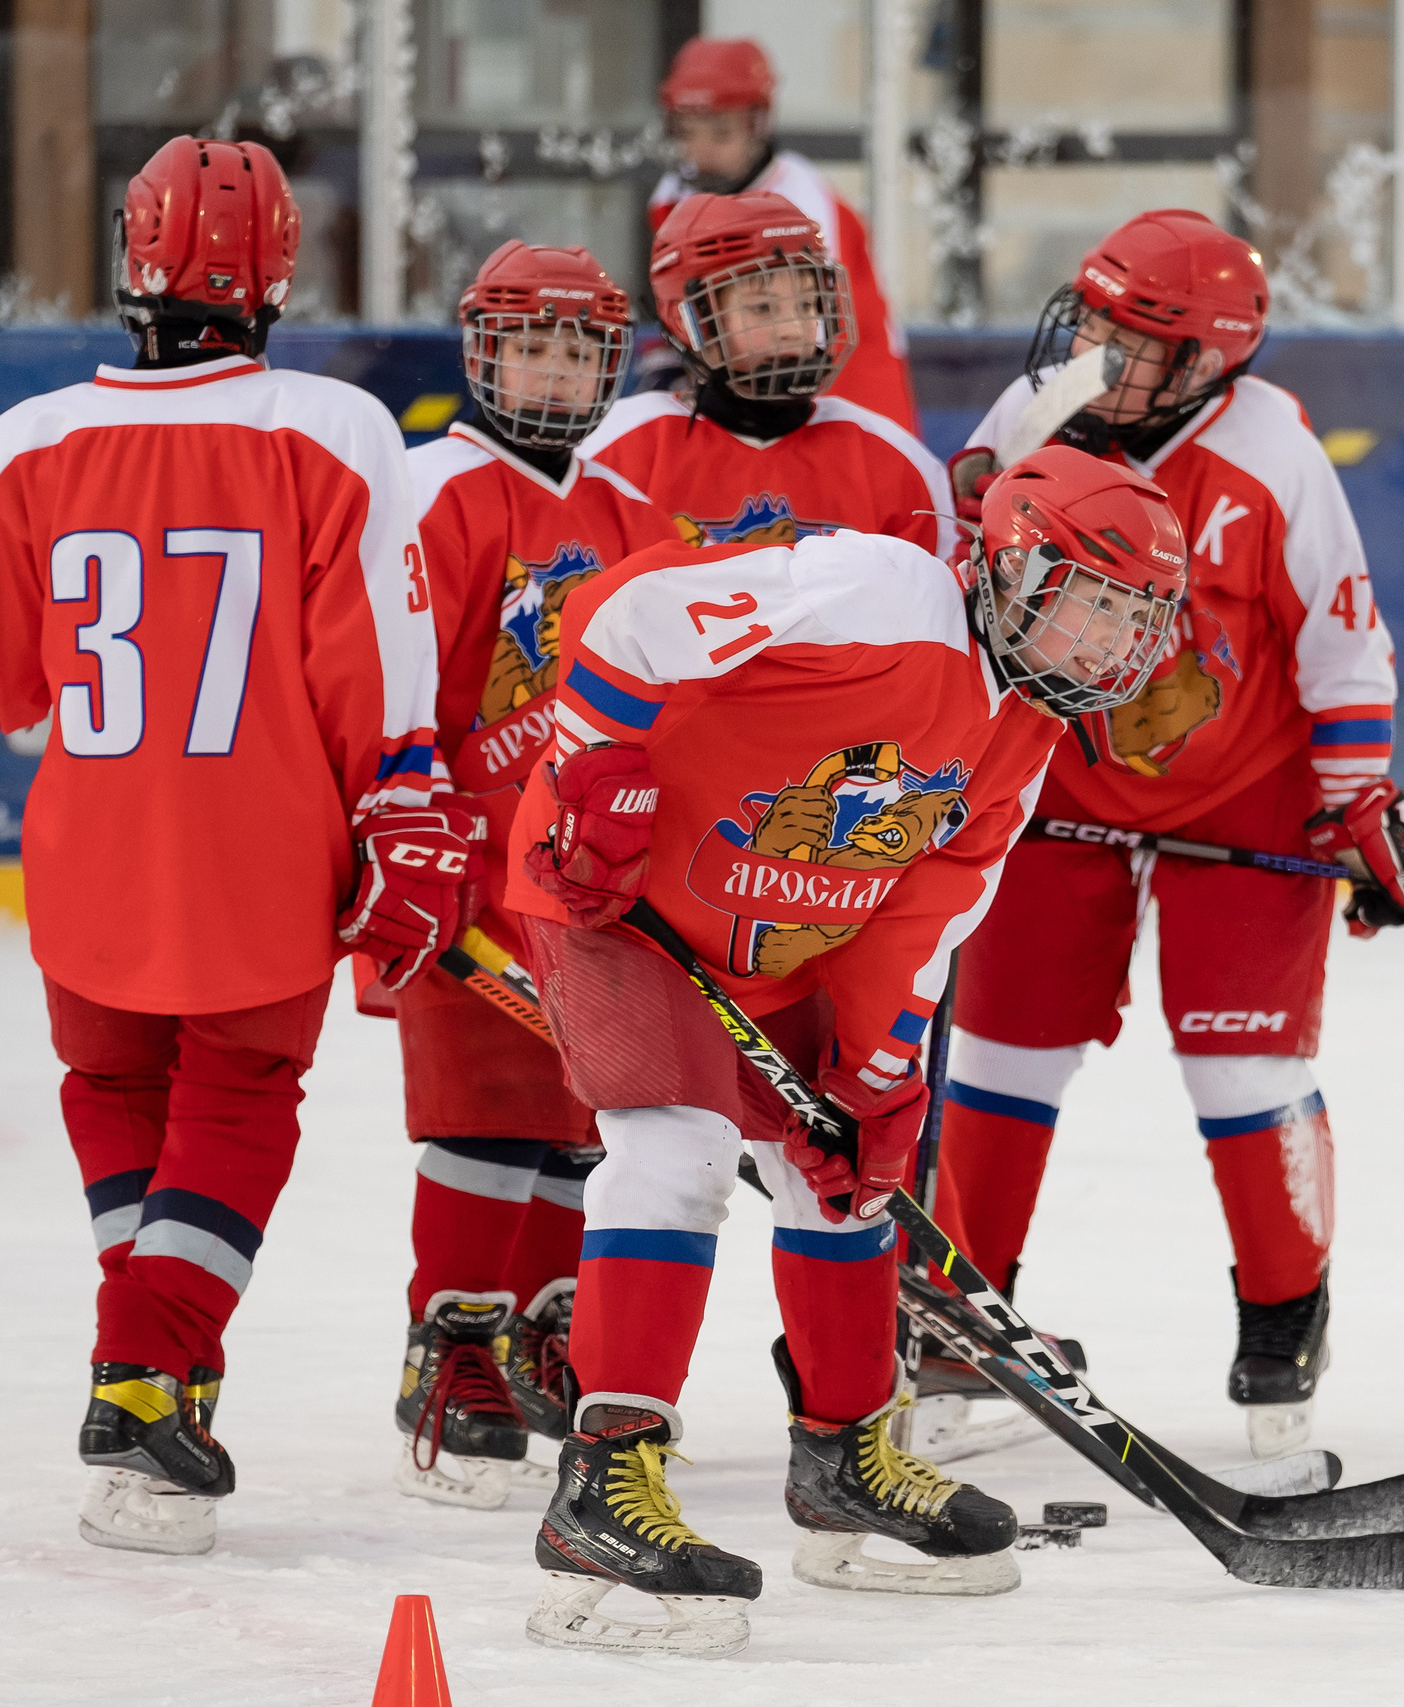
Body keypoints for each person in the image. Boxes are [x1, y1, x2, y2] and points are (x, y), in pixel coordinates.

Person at [502, 446, 1186, 1656]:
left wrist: (878, 1072)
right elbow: (631, 613)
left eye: (1133, 621)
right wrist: (596, 768)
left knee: (846, 1178)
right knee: (678, 1155)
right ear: (1017, 572)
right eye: (1093, 603)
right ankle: (601, 1484)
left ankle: (846, 1458)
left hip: (785, 944)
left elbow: (923, 913)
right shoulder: (882, 595)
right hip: (617, 900)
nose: (1108, 646)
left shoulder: (1025, 731)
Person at [0, 136, 460, 1557]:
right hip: (259, 853)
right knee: (236, 1098)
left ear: (129, 261)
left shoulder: (23, 440)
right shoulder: (335, 432)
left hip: (87, 848)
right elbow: (377, 666)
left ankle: (165, 1375)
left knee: (113, 1086)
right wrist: (401, 796)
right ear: (282, 272)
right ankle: (144, 1371)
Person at [929, 209, 1404, 1460]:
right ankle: (956, 1324)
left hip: (1245, 791)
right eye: (1091, 319)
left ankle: (1282, 1319)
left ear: (1212, 360)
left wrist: (1360, 799)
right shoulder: (1034, 409)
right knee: (1003, 1052)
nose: (1097, 348)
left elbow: (1341, 634)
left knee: (1242, 1067)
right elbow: (963, 587)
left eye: (1135, 336)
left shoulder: (1272, 455)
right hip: (1062, 786)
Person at [384, 239, 681, 1509]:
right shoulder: (430, 489)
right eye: (531, 344)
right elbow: (385, 677)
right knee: (480, 1113)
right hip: (465, 866)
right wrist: (413, 821)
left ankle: (545, 1327)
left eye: (579, 347)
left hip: (589, 879)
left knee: (584, 1117)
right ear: (481, 353)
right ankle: (448, 1345)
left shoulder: (626, 512)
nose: (555, 370)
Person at [583, 191, 952, 559]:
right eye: (762, 308)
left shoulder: (897, 463)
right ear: (687, 319)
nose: (794, 328)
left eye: (807, 304)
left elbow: (940, 606)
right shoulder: (615, 453)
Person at [645, 35, 918, 432]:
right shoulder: (671, 197)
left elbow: (807, 333)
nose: (700, 152)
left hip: (850, 402)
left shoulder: (801, 206)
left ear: (758, 125)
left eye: (720, 134)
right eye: (687, 133)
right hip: (745, 396)